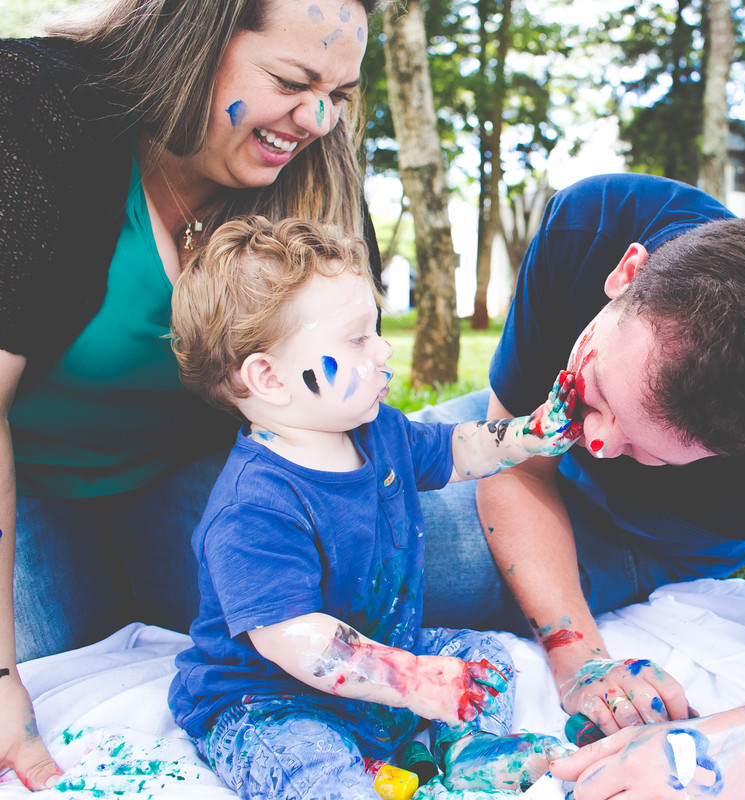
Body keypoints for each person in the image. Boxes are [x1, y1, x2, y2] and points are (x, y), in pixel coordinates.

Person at [410, 173, 745, 800]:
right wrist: (583, 661)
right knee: (316, 481)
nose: (593, 444)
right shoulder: (590, 223)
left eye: (651, 451)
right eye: (594, 391)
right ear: (626, 274)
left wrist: (716, 750)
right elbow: (522, 461)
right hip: (514, 439)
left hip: (654, 531)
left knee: (372, 558)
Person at [0, 0, 383, 790]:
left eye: (339, 94)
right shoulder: (36, 109)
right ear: (196, 35)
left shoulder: (311, 177)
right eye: (292, 80)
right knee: (45, 667)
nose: (317, 120)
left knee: (423, 583)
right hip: (24, 488)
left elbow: (340, 403)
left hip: (202, 479)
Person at [166, 216, 577, 800]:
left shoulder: (377, 431)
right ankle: (379, 771)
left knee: (486, 658)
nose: (384, 350)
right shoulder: (253, 509)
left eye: (376, 329)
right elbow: (298, 641)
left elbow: (458, 450)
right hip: (271, 699)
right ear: (268, 377)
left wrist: (533, 434)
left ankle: (447, 754)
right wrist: (408, 681)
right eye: (357, 338)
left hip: (386, 662)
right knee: (308, 769)